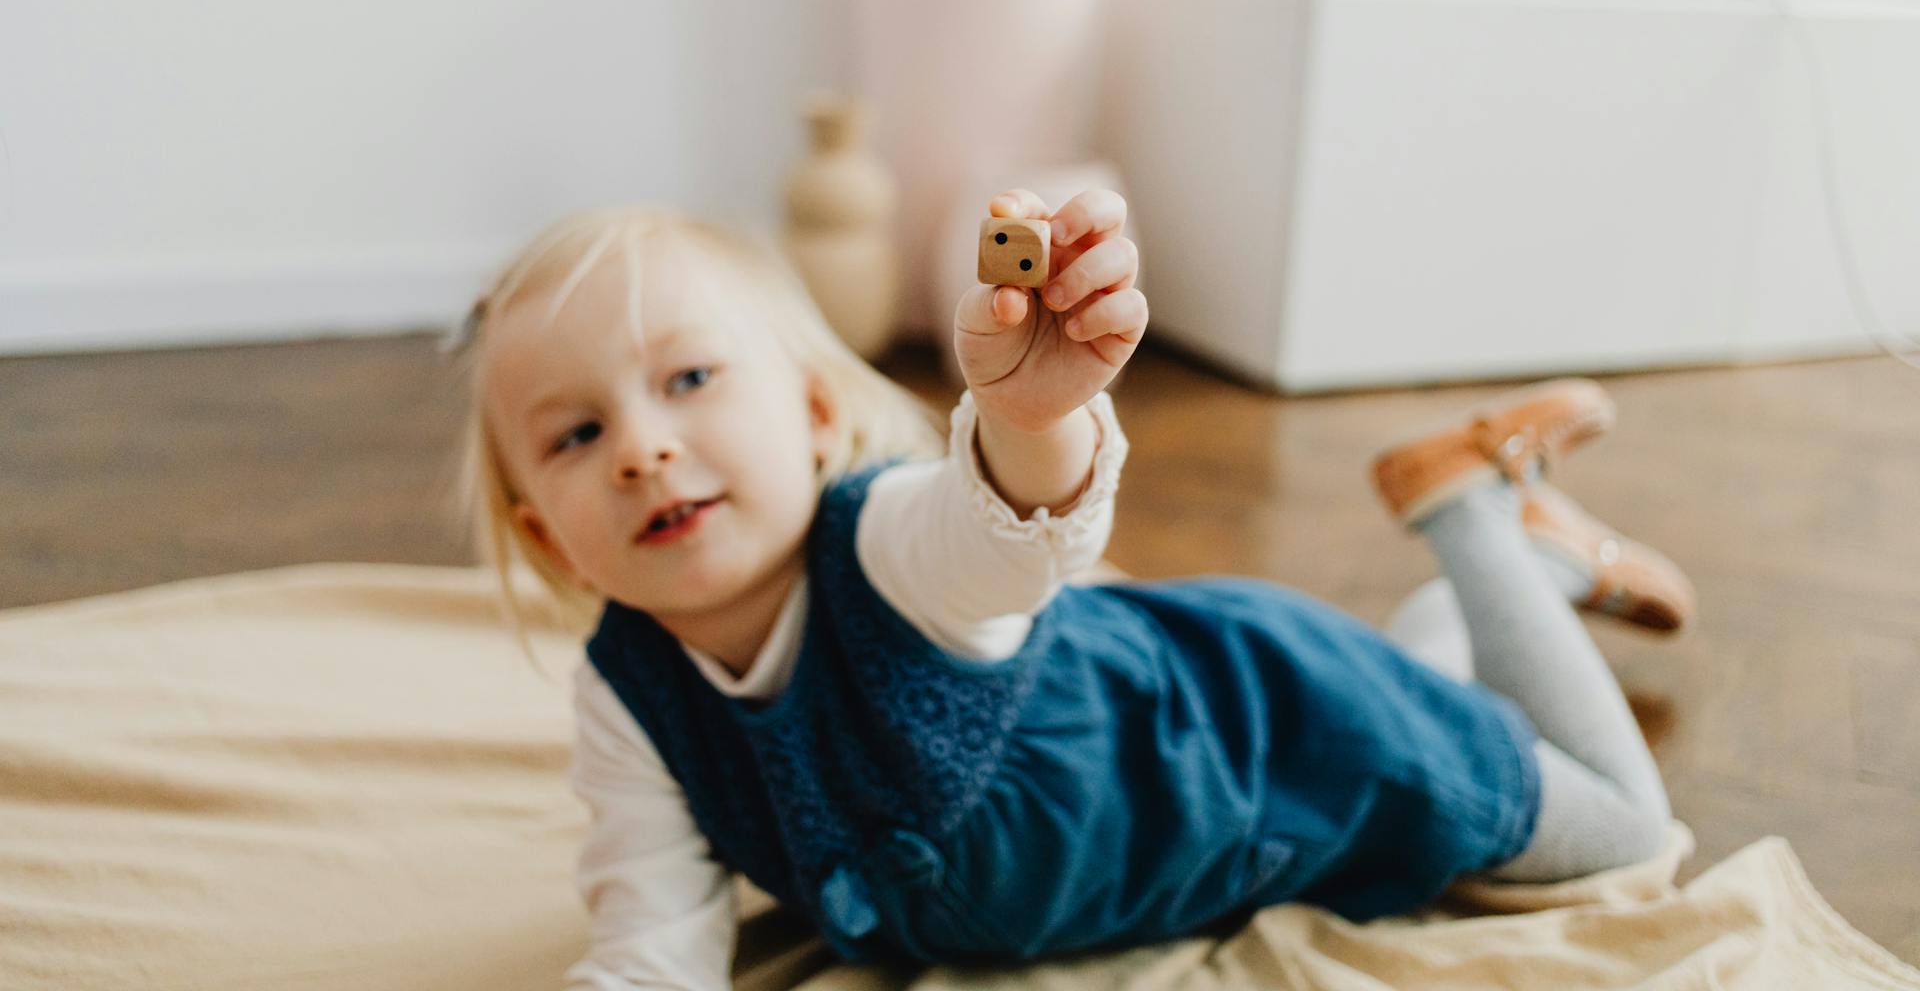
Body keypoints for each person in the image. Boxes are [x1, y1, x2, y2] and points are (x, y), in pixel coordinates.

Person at [447, 189, 1696, 990]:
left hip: (1282, 739)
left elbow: (1008, 531)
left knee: (1623, 828)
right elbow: (652, 937)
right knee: (1443, 687)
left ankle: (1474, 517)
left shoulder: (882, 542)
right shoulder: (632, 697)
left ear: (820, 414)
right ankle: (1519, 547)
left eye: (690, 380)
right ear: (547, 538)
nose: (640, 447)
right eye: (572, 434)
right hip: (1255, 711)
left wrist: (1026, 413)